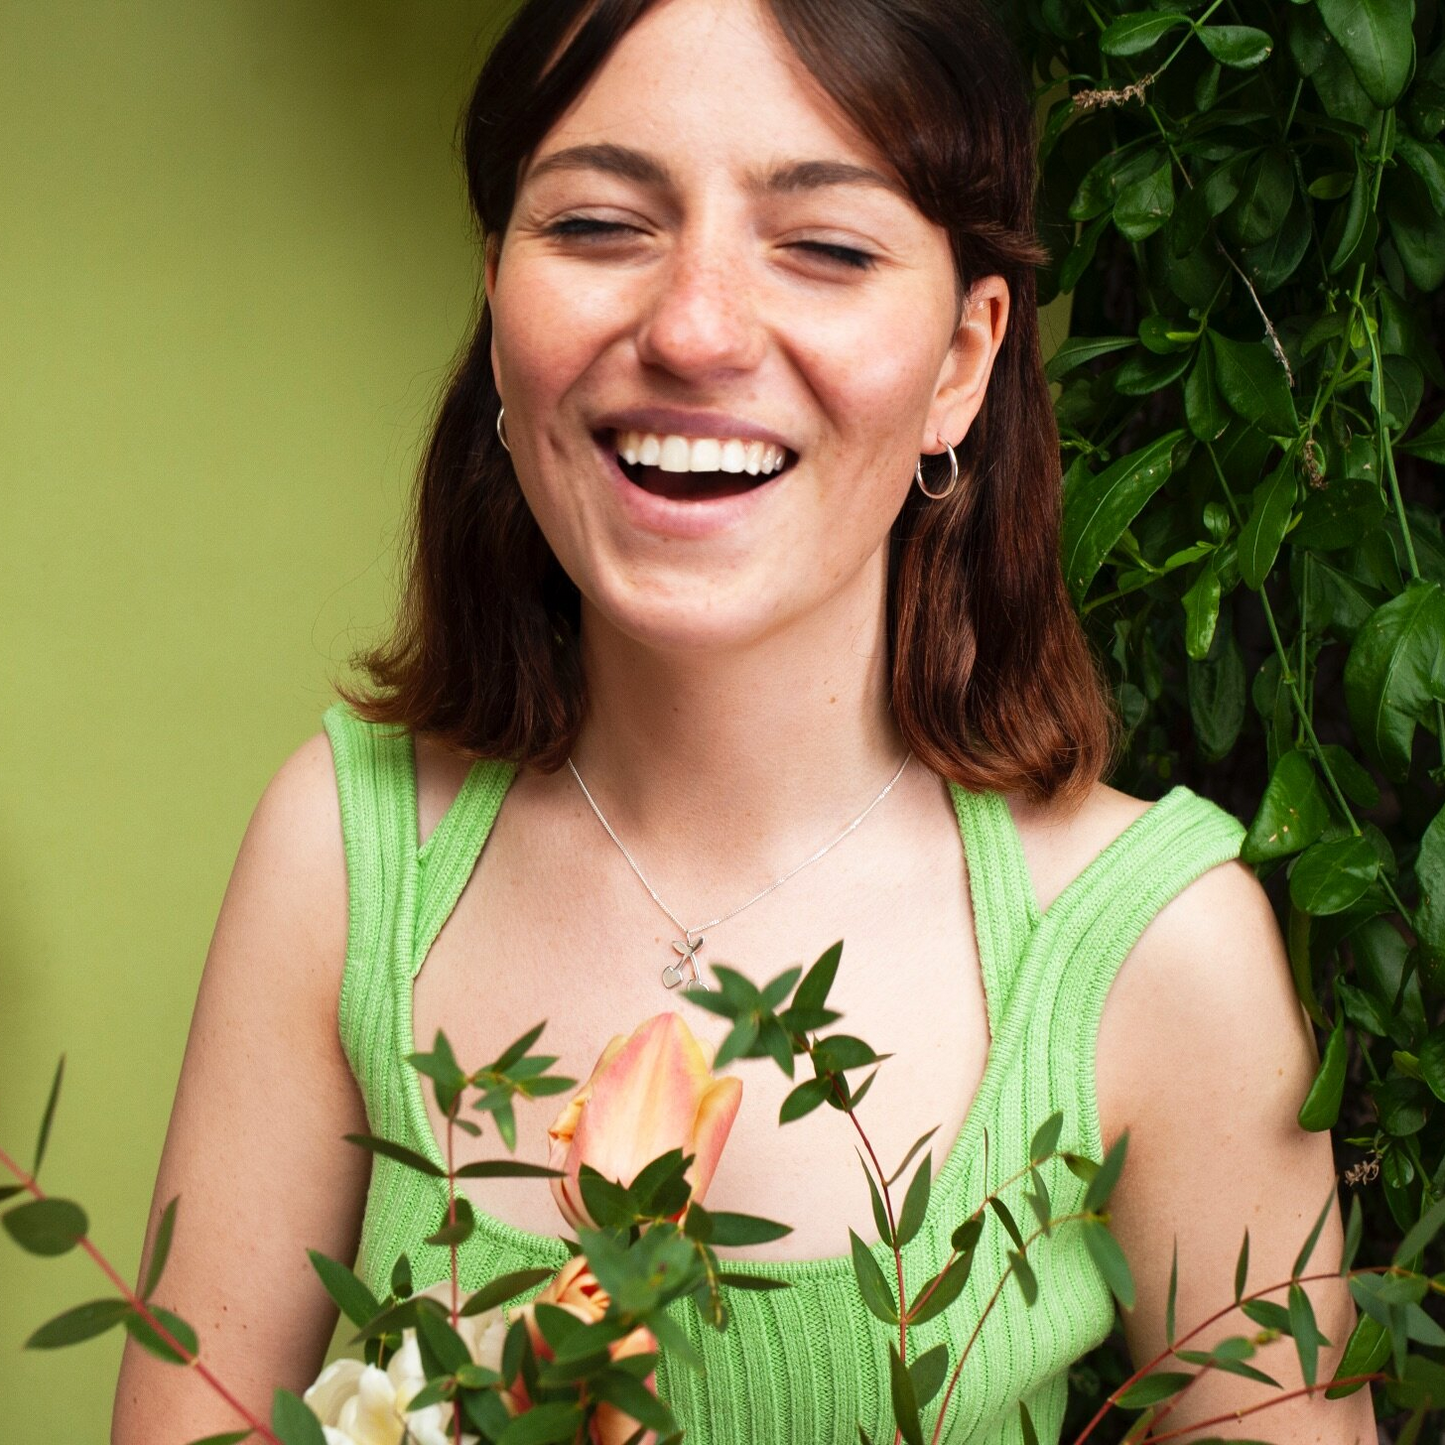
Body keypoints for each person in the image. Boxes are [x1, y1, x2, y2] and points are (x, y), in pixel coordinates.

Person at [112, 1, 1376, 1441]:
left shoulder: (1162, 950)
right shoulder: (342, 853)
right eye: (596, 226)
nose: (695, 329)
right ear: (497, 295)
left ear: (963, 360)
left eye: (827, 248)